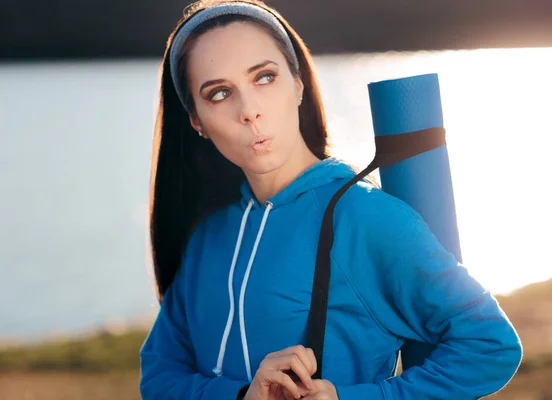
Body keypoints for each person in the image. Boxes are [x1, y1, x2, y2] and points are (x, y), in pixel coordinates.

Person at [139, 0, 523, 399]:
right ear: (197, 120)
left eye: (265, 78)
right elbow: (159, 378)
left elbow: (489, 345)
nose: (249, 111)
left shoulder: (366, 219)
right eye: (219, 93)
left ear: (298, 83)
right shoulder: (209, 237)